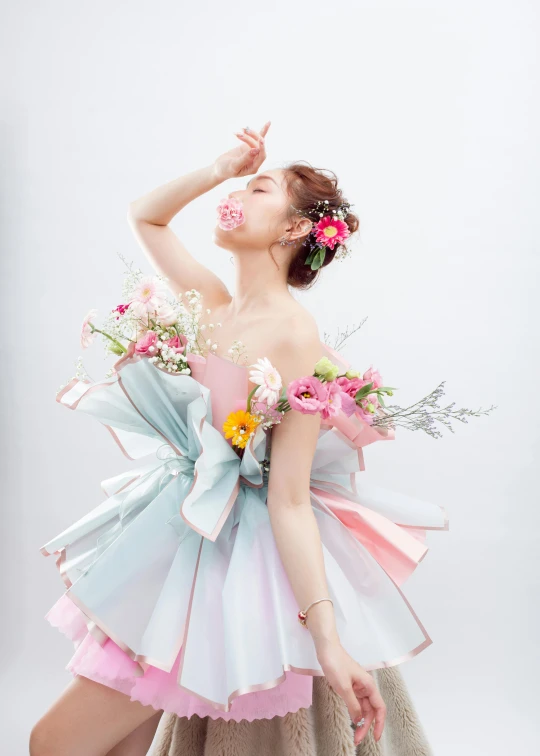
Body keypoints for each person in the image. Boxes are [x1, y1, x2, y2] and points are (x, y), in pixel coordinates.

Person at [31, 122, 444, 756]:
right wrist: (221, 169)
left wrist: (328, 641)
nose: (239, 197)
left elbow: (291, 497)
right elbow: (146, 218)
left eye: (259, 190)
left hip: (222, 563)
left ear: (295, 229)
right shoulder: (210, 301)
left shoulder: (295, 335)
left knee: (53, 743)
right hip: (172, 537)